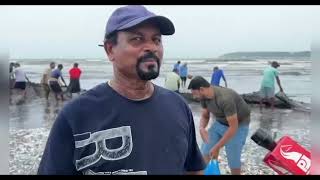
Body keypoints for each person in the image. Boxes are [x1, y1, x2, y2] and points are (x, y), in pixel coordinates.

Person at [38, 5, 205, 175]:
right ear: (110, 49)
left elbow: (193, 168)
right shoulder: (76, 114)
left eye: (156, 40)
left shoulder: (177, 106)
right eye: (137, 39)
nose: (152, 47)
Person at [188, 76, 251, 175]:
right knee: (205, 152)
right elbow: (205, 115)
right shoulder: (203, 97)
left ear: (201, 89)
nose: (194, 97)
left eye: (194, 94)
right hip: (219, 123)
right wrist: (201, 128)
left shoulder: (225, 99)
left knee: (233, 159)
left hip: (239, 126)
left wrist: (217, 147)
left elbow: (233, 127)